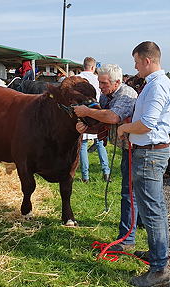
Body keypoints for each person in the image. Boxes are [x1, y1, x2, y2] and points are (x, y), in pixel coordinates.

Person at [117, 41, 170, 287]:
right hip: (150, 152)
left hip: (150, 154)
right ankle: (158, 257)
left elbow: (147, 124)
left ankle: (159, 269)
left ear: (147, 60)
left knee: (151, 212)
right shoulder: (156, 84)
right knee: (156, 208)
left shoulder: (157, 86)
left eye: (136, 61)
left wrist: (125, 127)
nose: (135, 66)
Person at [74, 64, 138, 251]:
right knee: (135, 191)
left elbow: (112, 117)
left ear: (117, 82)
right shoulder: (106, 95)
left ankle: (127, 238)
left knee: (129, 193)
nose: (100, 86)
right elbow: (101, 120)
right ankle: (137, 224)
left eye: (104, 83)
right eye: (100, 82)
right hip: (128, 147)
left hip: (135, 149)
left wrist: (86, 112)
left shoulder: (127, 94)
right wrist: (87, 127)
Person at [77, 57, 110, 183]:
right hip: (97, 112)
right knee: (100, 143)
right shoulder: (98, 79)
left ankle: (85, 177)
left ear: (84, 66)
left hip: (83, 114)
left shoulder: (77, 79)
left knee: (83, 145)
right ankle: (106, 173)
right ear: (93, 67)